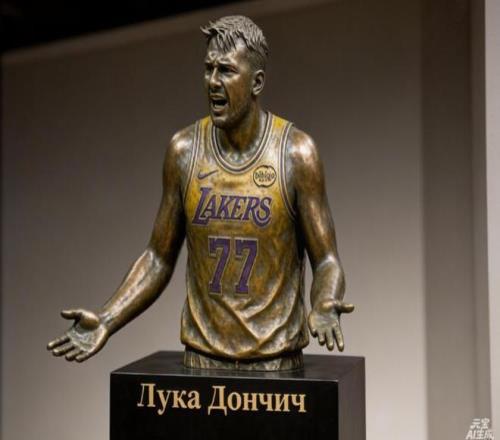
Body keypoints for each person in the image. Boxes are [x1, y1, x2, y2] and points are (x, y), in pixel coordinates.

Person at [47, 15, 354, 371]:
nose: (213, 82)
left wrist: (325, 300)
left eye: (226, 71)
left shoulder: (295, 154)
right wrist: (107, 317)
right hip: (201, 361)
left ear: (256, 82)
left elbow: (326, 260)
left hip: (275, 363)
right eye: (208, 69)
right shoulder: (185, 151)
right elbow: (158, 257)